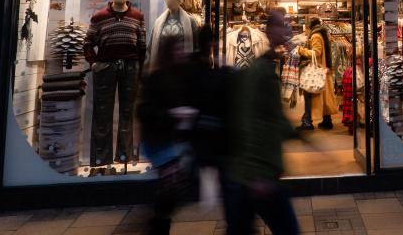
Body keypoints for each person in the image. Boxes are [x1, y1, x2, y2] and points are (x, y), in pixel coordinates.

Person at [223, 12, 301, 235]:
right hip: (255, 174)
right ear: (269, 32)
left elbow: (273, 116)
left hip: (253, 173)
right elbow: (249, 120)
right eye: (282, 26)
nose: (288, 31)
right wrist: (257, 173)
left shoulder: (267, 65)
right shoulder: (259, 70)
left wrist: (298, 136)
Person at [138, 26, 214, 235]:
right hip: (160, 140)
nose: (181, 53)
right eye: (177, 50)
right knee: (172, 184)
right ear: (168, 53)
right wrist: (173, 114)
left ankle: (159, 218)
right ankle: (159, 222)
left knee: (174, 183)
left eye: (183, 48)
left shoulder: (186, 74)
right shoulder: (156, 78)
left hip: (176, 139)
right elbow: (145, 111)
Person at [297, 17, 338, 131]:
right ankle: (326, 120)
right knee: (324, 97)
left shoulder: (315, 36)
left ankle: (307, 122)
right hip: (323, 69)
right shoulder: (322, 34)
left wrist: (301, 50)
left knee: (309, 94)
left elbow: (316, 52)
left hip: (316, 71)